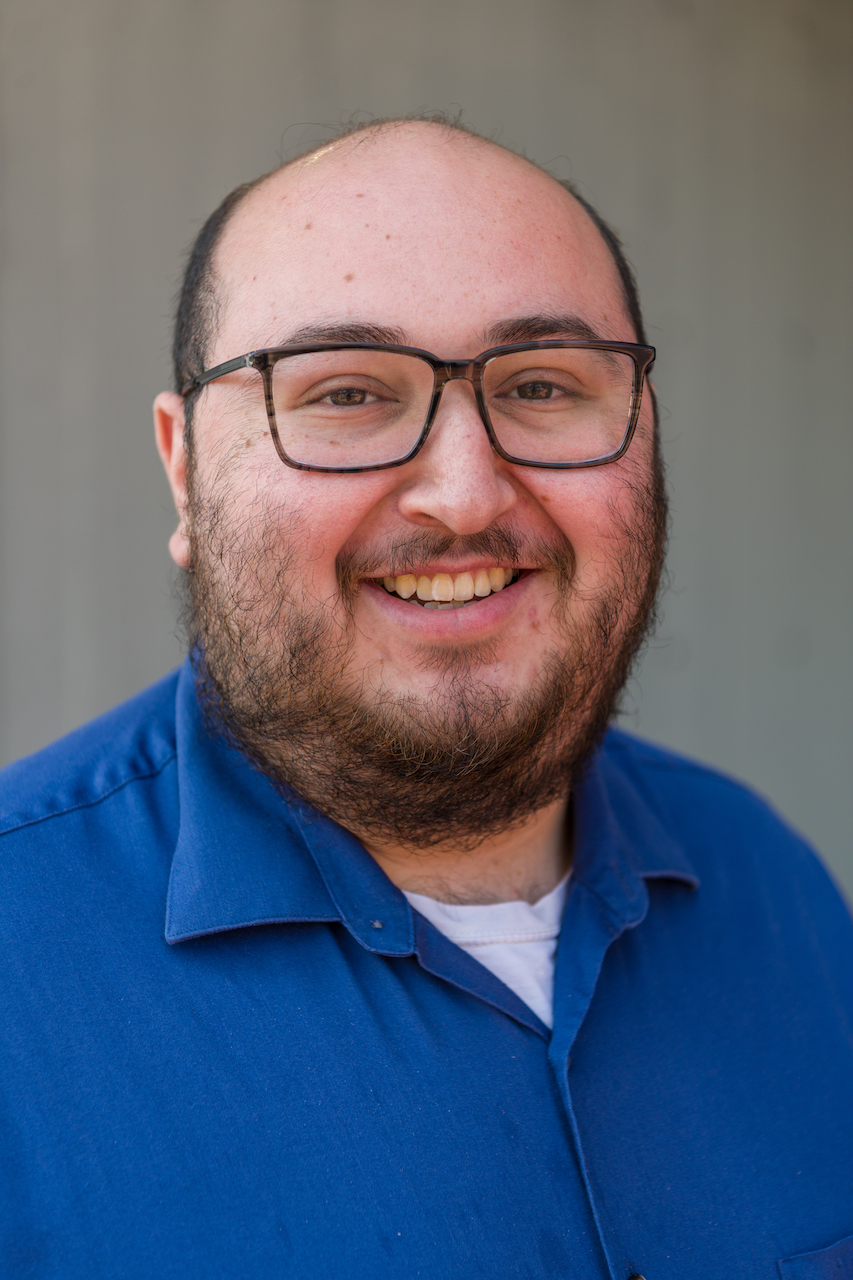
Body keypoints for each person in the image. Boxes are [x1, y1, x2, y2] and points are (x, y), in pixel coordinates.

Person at [0, 117, 851, 1280]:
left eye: (543, 384)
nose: (462, 493)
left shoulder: (779, 891)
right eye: (346, 391)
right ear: (186, 468)